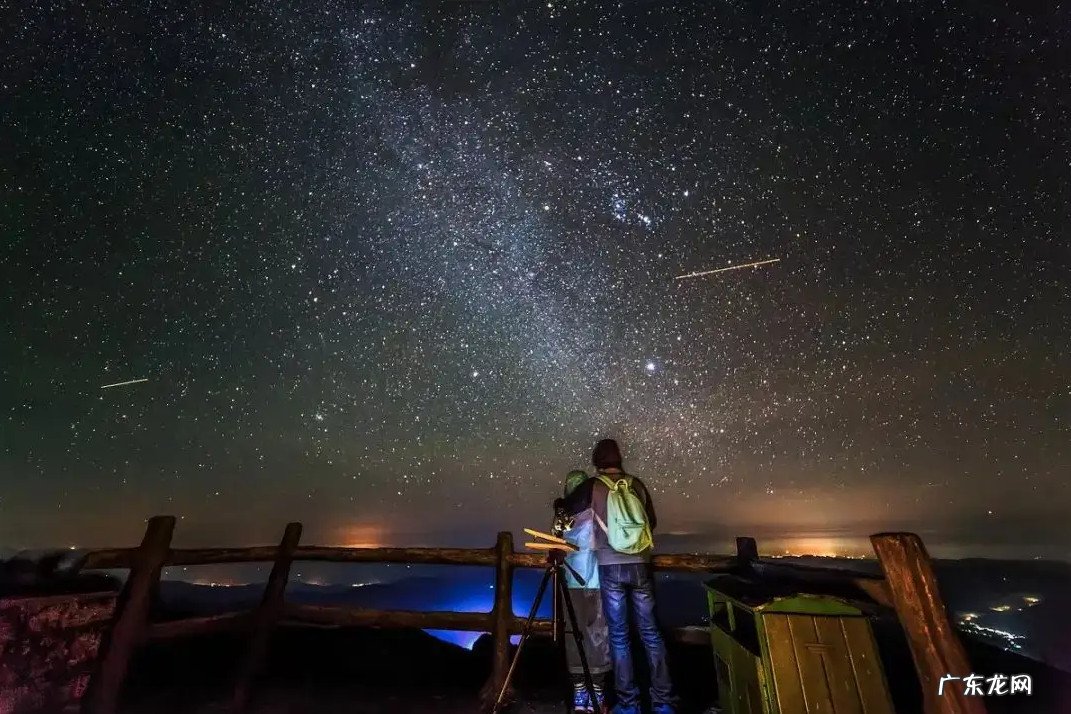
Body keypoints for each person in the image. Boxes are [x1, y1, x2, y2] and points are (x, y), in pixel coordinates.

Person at [555, 440, 677, 714]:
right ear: (619, 459)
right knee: (651, 634)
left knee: (619, 636)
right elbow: (651, 521)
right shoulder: (637, 484)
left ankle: (628, 703)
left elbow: (568, 510)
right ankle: (664, 702)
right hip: (641, 564)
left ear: (597, 462)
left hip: (610, 566)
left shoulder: (594, 486)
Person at [559, 470, 611, 713]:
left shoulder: (563, 514)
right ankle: (595, 690)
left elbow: (557, 542)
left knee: (575, 632)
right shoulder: (597, 507)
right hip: (597, 579)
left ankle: (583, 691)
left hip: (573, 581)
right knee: (597, 633)